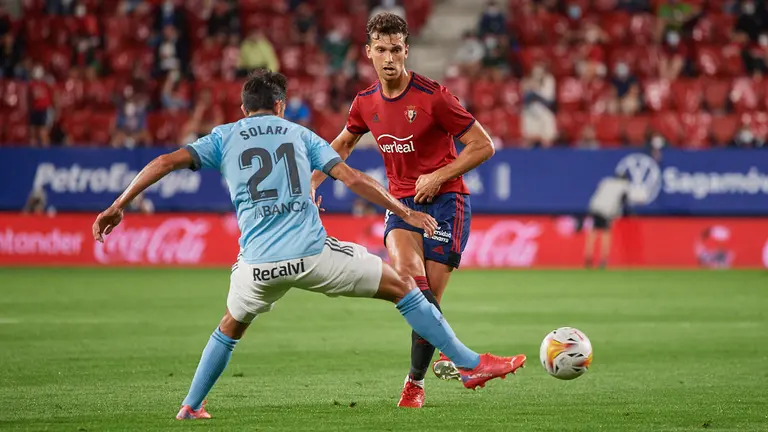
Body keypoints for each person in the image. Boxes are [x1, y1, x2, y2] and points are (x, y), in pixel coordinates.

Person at [91, 70, 525, 420]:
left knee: (230, 324)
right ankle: (467, 364)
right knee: (404, 287)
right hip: (312, 256)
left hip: (255, 268)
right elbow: (353, 178)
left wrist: (118, 205)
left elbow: (166, 161)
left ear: (244, 109)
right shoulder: (300, 136)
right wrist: (405, 211)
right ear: (281, 105)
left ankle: (190, 405)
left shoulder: (223, 137)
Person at [309, 13, 497, 408]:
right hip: (400, 204)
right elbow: (341, 146)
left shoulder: (435, 98)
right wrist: (311, 183)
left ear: (406, 50)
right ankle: (464, 361)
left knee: (428, 300)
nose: (389, 57)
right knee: (413, 286)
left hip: (447, 202)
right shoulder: (364, 103)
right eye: (381, 50)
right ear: (368, 53)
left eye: (396, 49)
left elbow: (483, 145)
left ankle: (415, 382)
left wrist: (438, 175)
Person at [584, 172, 632, 269]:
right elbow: (624, 201)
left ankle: (588, 256)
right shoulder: (624, 186)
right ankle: (603, 259)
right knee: (606, 234)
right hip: (607, 211)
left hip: (595, 208)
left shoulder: (606, 182)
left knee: (593, 232)